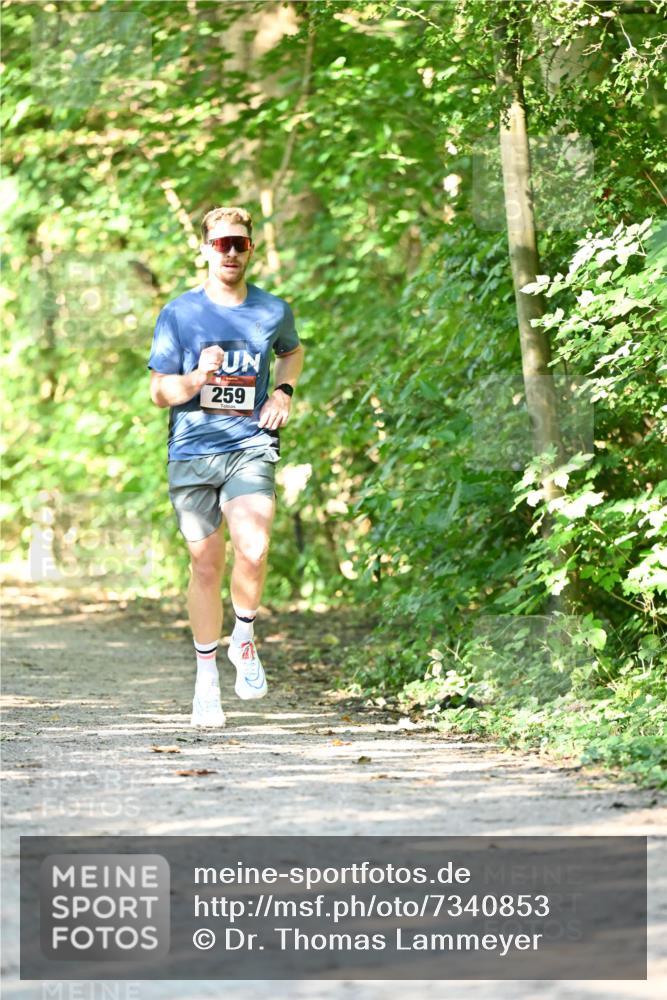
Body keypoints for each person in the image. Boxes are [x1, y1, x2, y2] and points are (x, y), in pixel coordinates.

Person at [147, 206, 304, 728]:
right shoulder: (179, 314)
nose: (230, 252)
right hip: (191, 451)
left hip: (250, 444)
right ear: (205, 250)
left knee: (254, 546)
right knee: (206, 565)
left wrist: (282, 390)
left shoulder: (272, 309)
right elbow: (158, 393)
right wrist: (196, 378)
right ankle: (206, 679)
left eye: (239, 243)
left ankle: (244, 636)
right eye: (221, 244)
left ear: (251, 248)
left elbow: (292, 353)